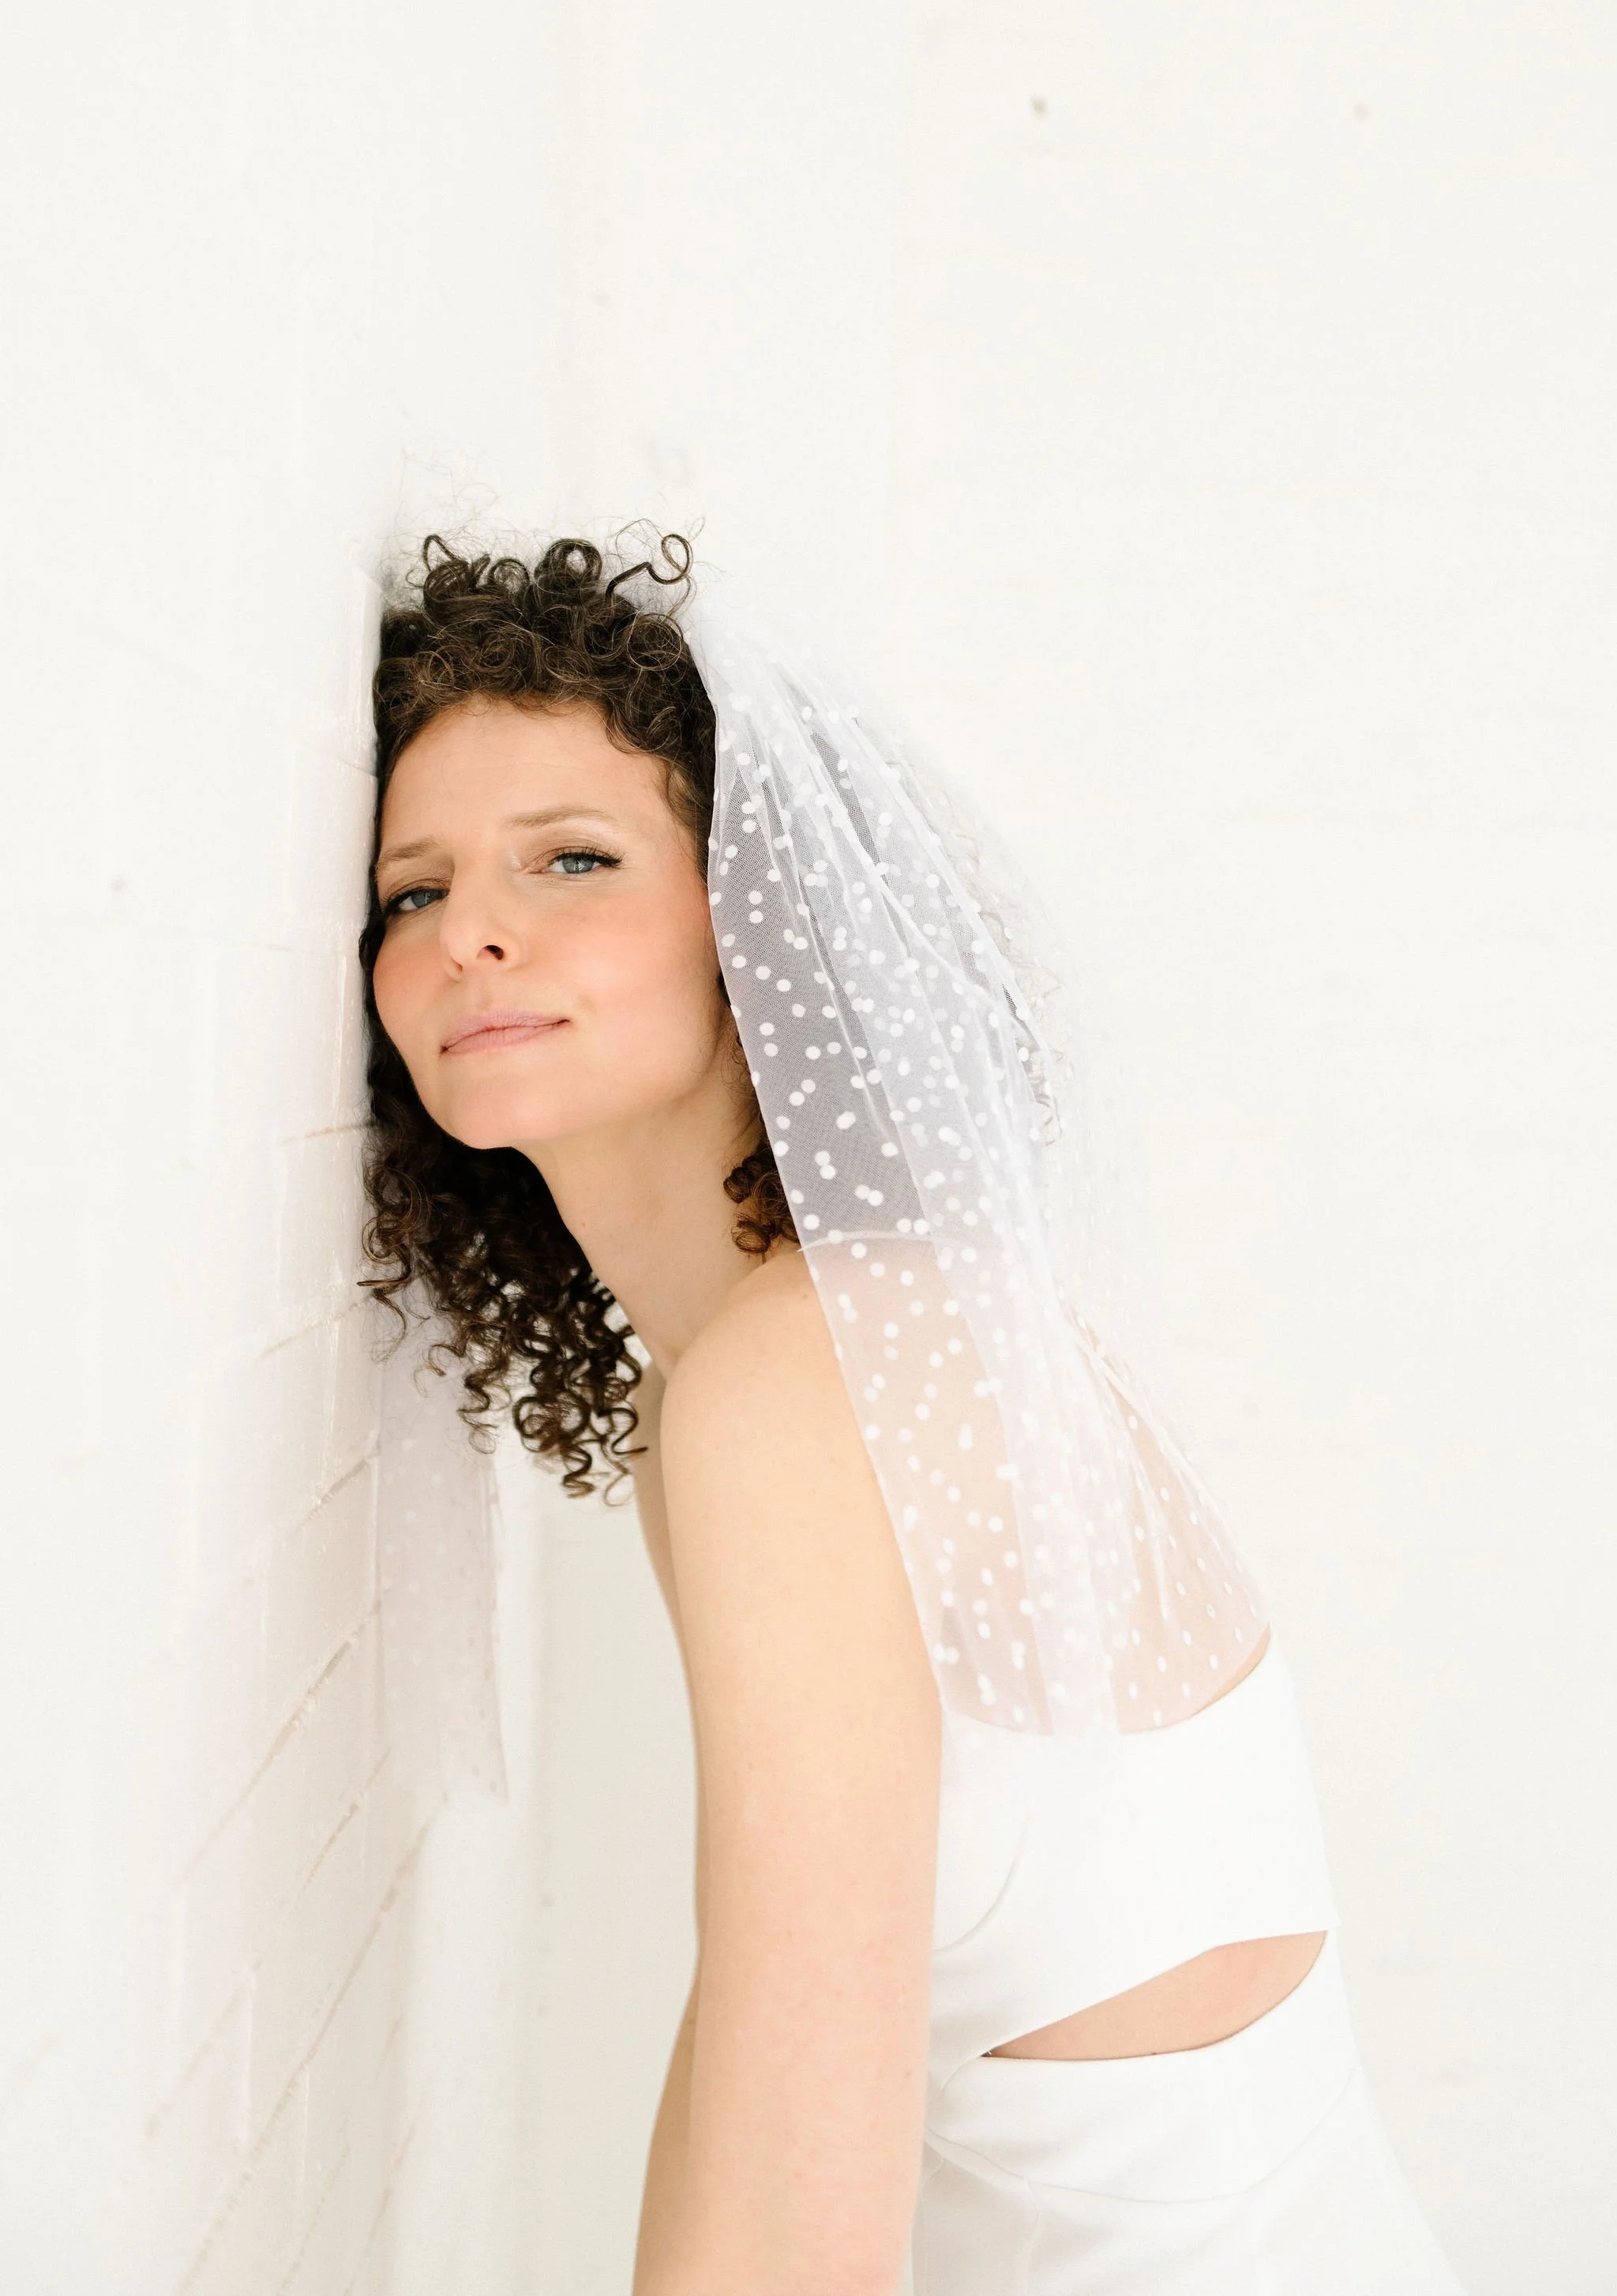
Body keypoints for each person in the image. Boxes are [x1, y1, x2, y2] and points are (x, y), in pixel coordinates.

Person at [360, 532, 1468, 2295]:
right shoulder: (812, 1351)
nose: (472, 926)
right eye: (409, 892)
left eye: (572, 857)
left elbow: (808, 2209)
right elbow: (759, 2029)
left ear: (762, 925)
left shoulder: (801, 1385)